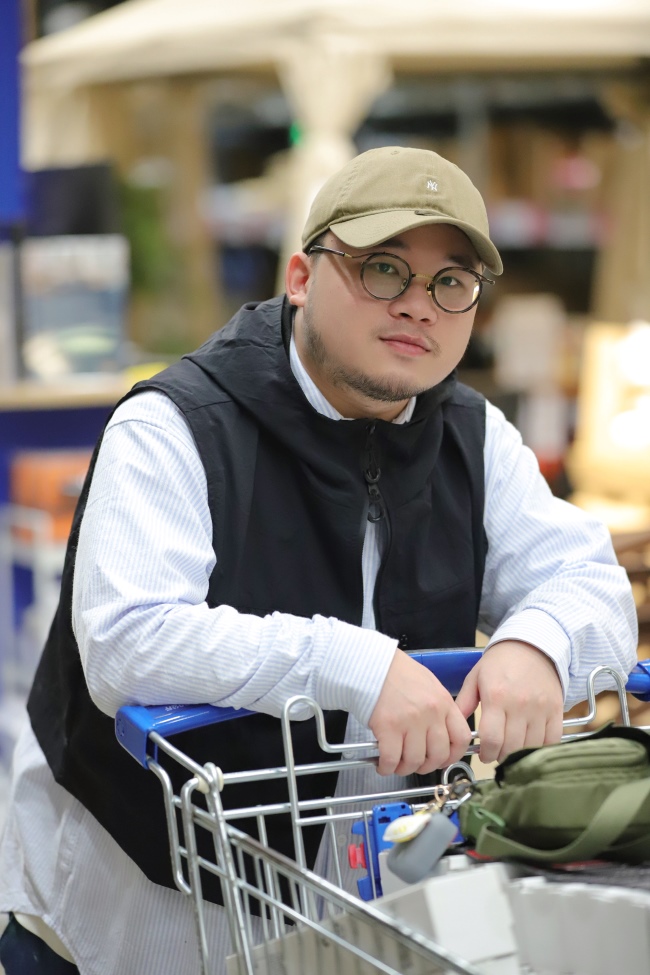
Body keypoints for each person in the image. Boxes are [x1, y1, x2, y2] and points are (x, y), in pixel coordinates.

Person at [0, 146, 638, 974]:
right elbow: (129, 638)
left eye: (451, 282)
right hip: (132, 918)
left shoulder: (472, 439)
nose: (418, 305)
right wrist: (356, 665)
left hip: (350, 918)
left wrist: (538, 644)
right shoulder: (175, 426)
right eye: (383, 269)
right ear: (301, 276)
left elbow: (587, 579)